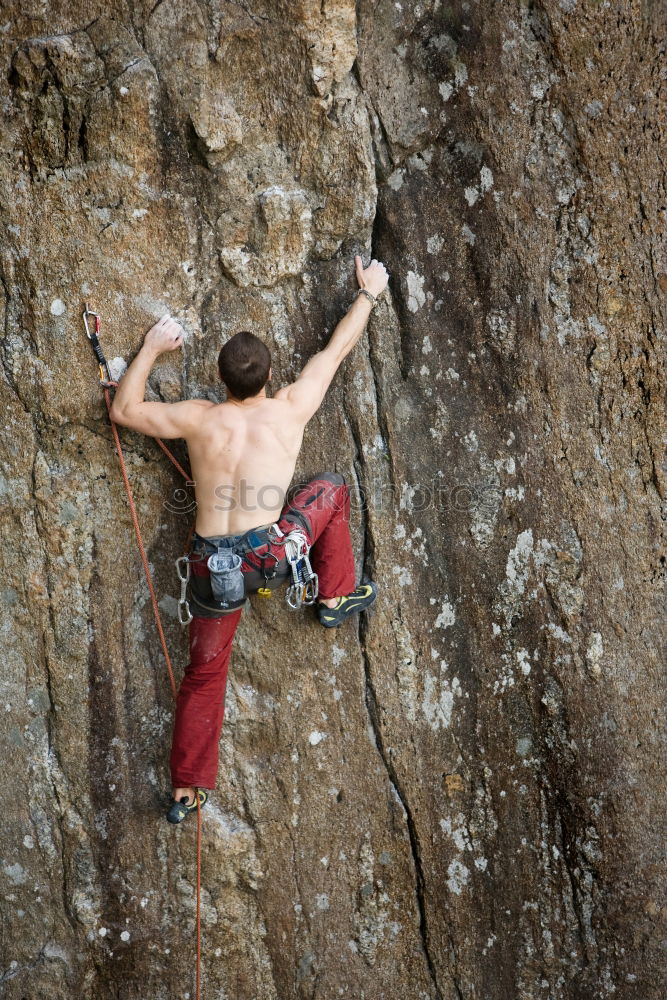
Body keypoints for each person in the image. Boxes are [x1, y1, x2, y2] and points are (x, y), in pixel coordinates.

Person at [109, 254, 389, 823]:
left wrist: (152, 348)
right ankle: (334, 596)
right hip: (272, 554)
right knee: (331, 488)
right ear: (268, 376)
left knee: (205, 675)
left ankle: (187, 789)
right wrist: (368, 294)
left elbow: (124, 409)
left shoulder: (198, 419)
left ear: (221, 379)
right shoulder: (289, 409)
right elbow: (334, 352)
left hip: (215, 573)